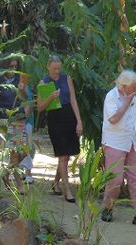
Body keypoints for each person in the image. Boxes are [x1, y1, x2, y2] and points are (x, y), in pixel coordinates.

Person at [100, 70, 136, 226]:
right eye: (133, 86)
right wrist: (125, 102)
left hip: (130, 141)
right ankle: (108, 208)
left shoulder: (133, 97)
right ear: (123, 86)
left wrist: (129, 100)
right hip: (114, 142)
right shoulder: (111, 96)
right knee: (115, 179)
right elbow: (114, 119)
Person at [37, 55, 83, 203]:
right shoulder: (43, 82)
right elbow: (40, 107)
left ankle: (56, 183)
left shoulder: (66, 78)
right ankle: (67, 189)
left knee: (67, 155)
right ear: (48, 67)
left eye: (59, 68)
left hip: (69, 116)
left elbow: (73, 100)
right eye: (54, 68)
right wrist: (50, 97)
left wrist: (79, 121)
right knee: (62, 155)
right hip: (54, 119)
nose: (57, 71)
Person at [0, 58, 31, 193]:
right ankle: (19, 184)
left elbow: (25, 98)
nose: (13, 69)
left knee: (24, 152)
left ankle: (6, 173)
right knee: (14, 152)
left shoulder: (19, 78)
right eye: (11, 66)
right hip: (3, 119)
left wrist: (23, 89)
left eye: (15, 66)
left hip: (18, 118)